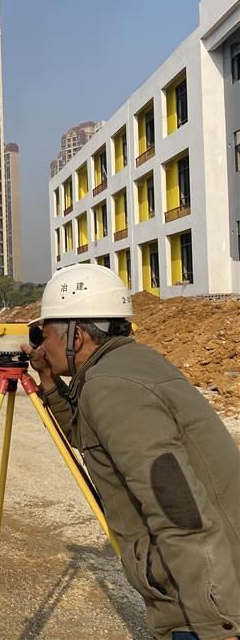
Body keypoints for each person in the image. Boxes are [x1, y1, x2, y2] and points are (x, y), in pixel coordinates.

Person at [22, 264, 238, 640]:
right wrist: (48, 380)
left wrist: (215, 626)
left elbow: (180, 511)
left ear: (75, 339)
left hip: (202, 606)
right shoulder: (129, 365)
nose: (42, 344)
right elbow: (89, 436)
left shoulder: (112, 388)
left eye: (45, 334)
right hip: (213, 583)